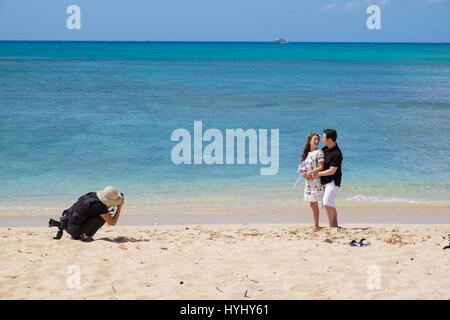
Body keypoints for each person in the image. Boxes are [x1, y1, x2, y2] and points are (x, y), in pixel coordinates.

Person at [49, 186, 124, 241]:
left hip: (66, 222)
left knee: (102, 213)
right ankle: (87, 236)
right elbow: (112, 222)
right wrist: (120, 207)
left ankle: (76, 235)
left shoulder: (92, 195)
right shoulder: (100, 206)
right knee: (103, 216)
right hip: (73, 230)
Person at [314, 129, 343, 228]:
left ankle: (331, 226)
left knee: (326, 203)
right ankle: (335, 226)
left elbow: (332, 171)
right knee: (329, 203)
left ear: (329, 139)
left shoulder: (337, 154)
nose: (322, 139)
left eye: (323, 137)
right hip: (324, 181)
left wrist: (318, 174)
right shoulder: (324, 149)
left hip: (333, 181)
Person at [298, 132, 324, 229]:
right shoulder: (307, 154)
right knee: (311, 203)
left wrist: (310, 173)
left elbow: (321, 167)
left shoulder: (319, 152)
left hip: (316, 180)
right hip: (308, 182)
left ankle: (316, 225)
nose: (316, 141)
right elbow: (304, 167)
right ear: (310, 141)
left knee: (314, 202)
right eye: (315, 139)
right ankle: (316, 224)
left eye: (318, 139)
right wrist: (303, 173)